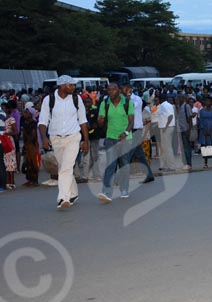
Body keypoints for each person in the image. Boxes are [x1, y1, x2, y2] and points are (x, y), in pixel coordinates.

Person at [38, 75, 90, 210]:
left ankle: (63, 198)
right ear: (61, 86)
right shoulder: (48, 100)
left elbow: (83, 120)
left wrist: (86, 141)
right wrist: (44, 138)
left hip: (73, 137)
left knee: (66, 167)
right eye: (71, 85)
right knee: (64, 167)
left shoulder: (76, 99)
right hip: (56, 138)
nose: (74, 87)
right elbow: (43, 121)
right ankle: (73, 193)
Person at [97, 83, 135, 203]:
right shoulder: (105, 103)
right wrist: (100, 121)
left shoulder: (127, 102)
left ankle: (124, 189)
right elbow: (100, 122)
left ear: (119, 90)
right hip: (110, 137)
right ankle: (106, 192)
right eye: (109, 90)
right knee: (111, 164)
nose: (111, 92)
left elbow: (131, 122)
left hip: (125, 138)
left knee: (124, 164)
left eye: (113, 89)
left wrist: (125, 132)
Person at [154, 95, 177, 172]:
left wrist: (165, 126)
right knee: (165, 147)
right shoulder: (165, 105)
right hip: (165, 127)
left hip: (167, 128)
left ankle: (171, 166)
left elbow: (170, 116)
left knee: (167, 147)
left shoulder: (165, 105)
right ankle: (166, 165)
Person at [198, 96, 212, 168]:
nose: (208, 103)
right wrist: (203, 130)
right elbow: (200, 121)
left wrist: (211, 130)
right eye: (206, 101)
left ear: (211, 102)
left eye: (209, 101)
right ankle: (205, 163)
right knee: (205, 147)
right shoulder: (201, 111)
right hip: (204, 131)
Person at [21, 107, 40, 187]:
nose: (24, 114)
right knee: (27, 162)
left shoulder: (33, 123)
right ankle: (29, 179)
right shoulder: (25, 123)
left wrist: (29, 144)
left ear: (31, 114)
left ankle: (35, 180)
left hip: (32, 145)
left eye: (26, 113)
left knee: (33, 162)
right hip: (27, 145)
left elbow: (33, 135)